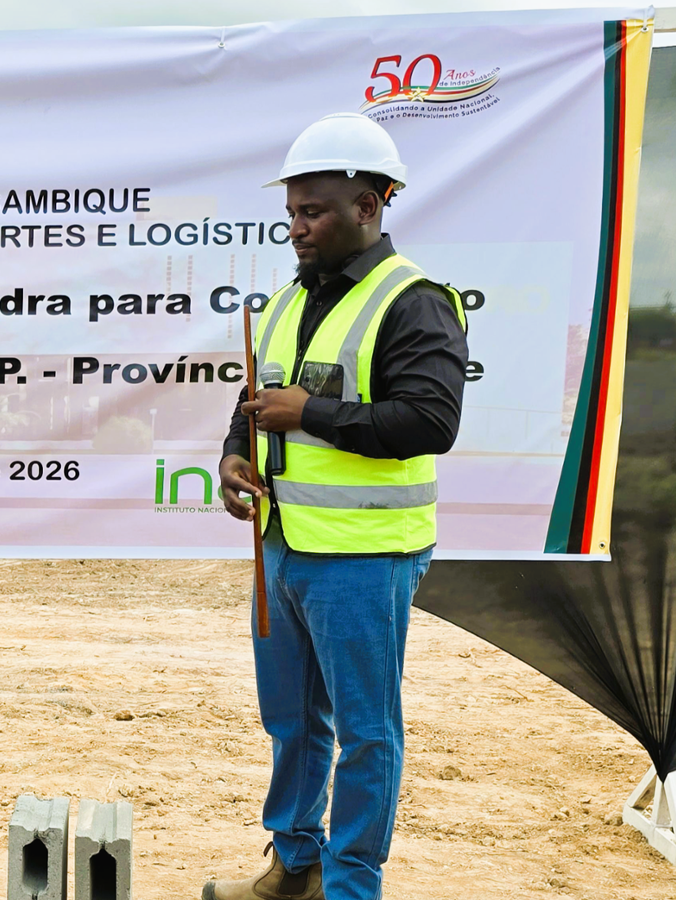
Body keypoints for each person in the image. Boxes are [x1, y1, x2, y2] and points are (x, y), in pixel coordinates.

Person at [204, 112, 469, 900]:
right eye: (290, 211)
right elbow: (257, 397)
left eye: (313, 211)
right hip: (282, 545)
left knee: (365, 736)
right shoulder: (289, 298)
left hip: (364, 556)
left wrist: (305, 415)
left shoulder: (415, 301)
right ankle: (295, 864)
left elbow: (430, 422)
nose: (297, 227)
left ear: (372, 203)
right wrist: (233, 452)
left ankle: (352, 888)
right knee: (290, 721)